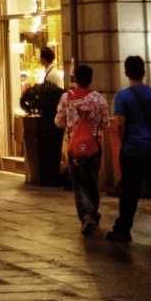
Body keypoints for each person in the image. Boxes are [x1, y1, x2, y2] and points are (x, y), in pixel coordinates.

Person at [108, 56, 151, 245]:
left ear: (126, 72)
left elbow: (120, 124)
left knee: (129, 192)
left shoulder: (123, 96)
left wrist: (121, 146)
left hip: (132, 150)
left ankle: (123, 230)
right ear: (144, 71)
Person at [54, 64, 110, 236]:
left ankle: (87, 214)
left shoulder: (66, 97)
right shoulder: (98, 98)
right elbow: (106, 122)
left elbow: (58, 122)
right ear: (91, 78)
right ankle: (93, 211)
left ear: (75, 79)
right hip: (94, 146)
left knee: (79, 182)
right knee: (92, 180)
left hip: (74, 146)